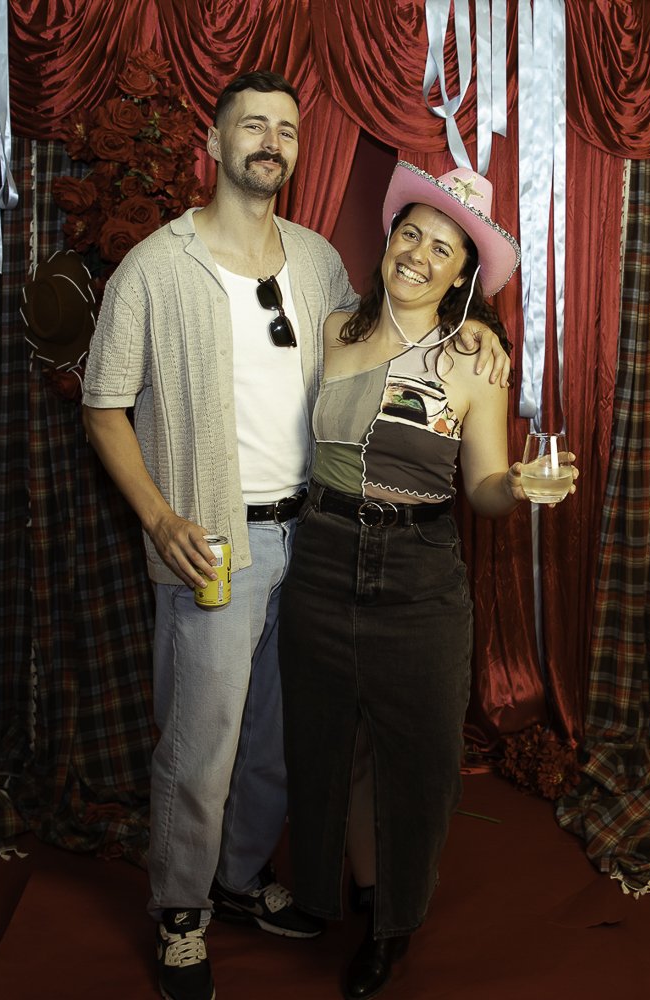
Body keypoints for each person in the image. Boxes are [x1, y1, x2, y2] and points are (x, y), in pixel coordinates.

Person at [82, 69, 512, 1000]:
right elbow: (103, 404)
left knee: (283, 743)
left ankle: (238, 880)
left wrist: (475, 330)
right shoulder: (155, 267)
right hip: (214, 546)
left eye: (286, 127)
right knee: (200, 746)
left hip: (313, 545)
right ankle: (181, 915)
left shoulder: (316, 263)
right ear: (214, 140)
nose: (270, 140)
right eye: (253, 125)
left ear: (297, 150)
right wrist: (160, 518)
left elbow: (389, 342)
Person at [278, 161, 579, 1000]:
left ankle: (391, 925)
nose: (418, 253)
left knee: (417, 760)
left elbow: (482, 492)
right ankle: (360, 888)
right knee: (334, 743)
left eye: (442, 248)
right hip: (322, 559)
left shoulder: (476, 362)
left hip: (417, 574)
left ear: (461, 276)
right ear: (388, 238)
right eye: (410, 233)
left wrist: (519, 486)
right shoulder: (333, 331)